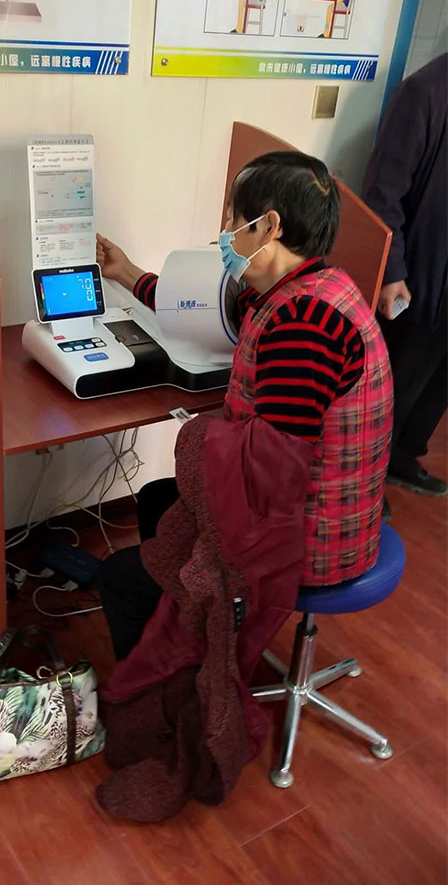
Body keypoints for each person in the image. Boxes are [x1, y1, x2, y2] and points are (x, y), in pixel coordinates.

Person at [97, 151, 393, 662]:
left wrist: (198, 437)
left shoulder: (306, 324)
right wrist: (126, 273)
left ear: (268, 226)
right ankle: (189, 629)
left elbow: (271, 476)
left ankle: (176, 674)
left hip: (309, 541)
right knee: (155, 499)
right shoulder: (306, 286)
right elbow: (200, 309)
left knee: (119, 579)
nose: (224, 232)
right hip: (317, 510)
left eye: (233, 218)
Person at [362, 53, 447, 499]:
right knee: (397, 384)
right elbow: (383, 193)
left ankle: (402, 457)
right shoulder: (424, 92)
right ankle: (366, 479)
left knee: (438, 385)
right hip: (422, 277)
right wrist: (392, 270)